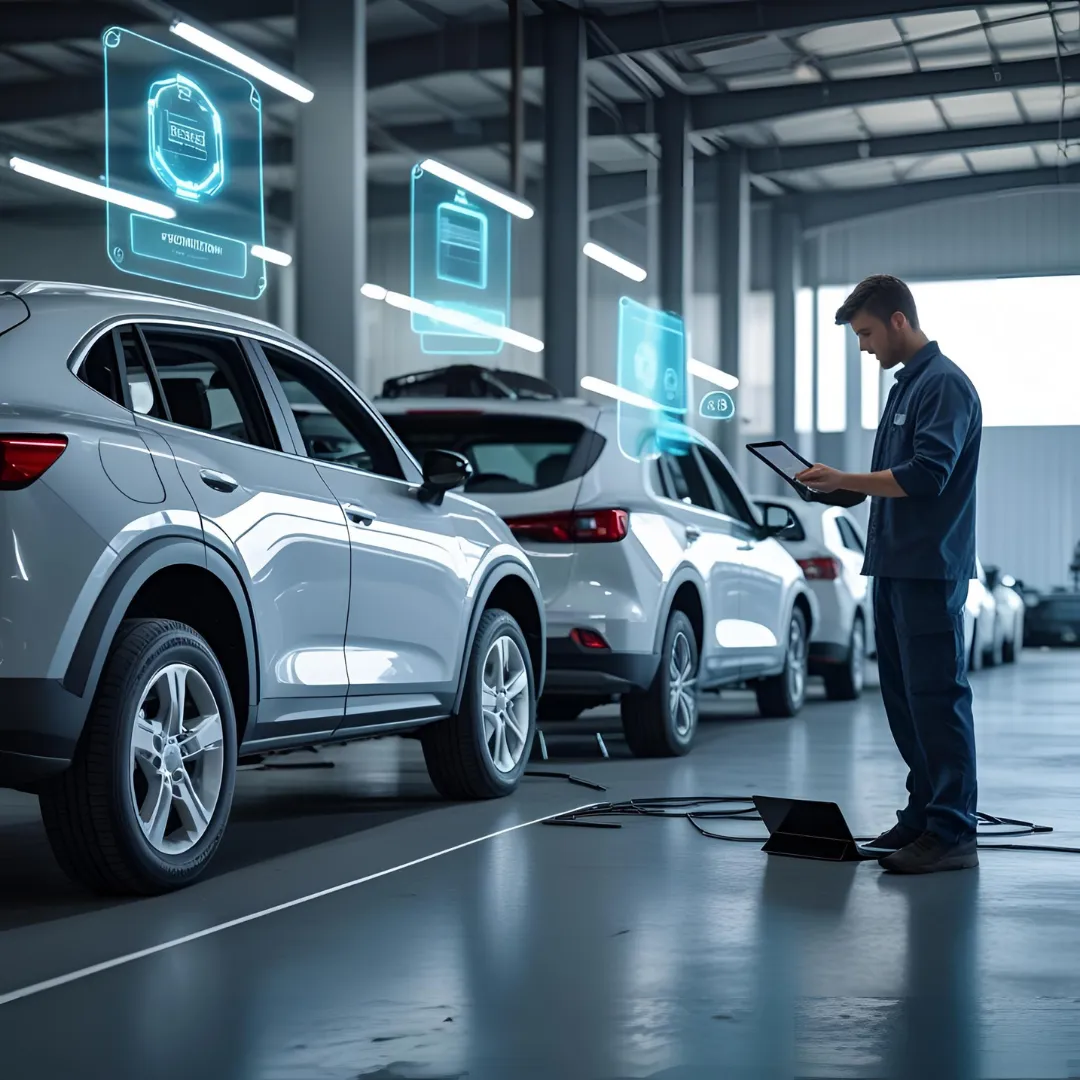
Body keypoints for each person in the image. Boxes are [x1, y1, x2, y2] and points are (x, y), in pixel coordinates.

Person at [795, 274, 982, 875]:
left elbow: (927, 476)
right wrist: (834, 487)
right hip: (894, 568)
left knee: (937, 699)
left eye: (868, 334)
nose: (864, 347)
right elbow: (889, 482)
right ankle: (923, 814)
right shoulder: (905, 389)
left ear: (899, 320)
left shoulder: (944, 386)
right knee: (904, 700)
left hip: (928, 570)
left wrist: (849, 479)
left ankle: (952, 832)